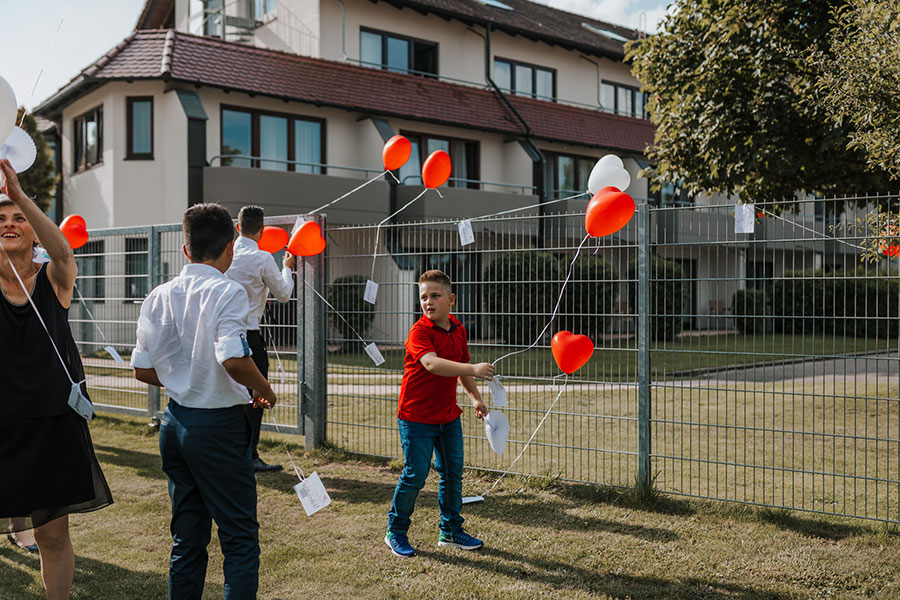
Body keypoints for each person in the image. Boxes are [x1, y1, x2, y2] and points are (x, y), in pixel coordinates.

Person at [132, 203, 277, 600]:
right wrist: (264, 389)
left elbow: (142, 370)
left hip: (175, 423)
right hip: (218, 425)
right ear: (230, 247)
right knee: (239, 539)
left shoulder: (158, 295)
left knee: (187, 540)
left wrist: (185, 376)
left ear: (185, 249)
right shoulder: (228, 290)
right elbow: (232, 357)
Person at [0, 159, 113, 599]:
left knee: (51, 536)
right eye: (1, 219)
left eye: (19, 219)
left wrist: (21, 194)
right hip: (2, 422)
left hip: (51, 425)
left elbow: (64, 252)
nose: (9, 224)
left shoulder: (53, 279)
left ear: (33, 229)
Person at [385, 269, 495, 558]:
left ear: (451, 299)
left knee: (452, 473)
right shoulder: (419, 331)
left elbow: (460, 365)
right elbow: (433, 364)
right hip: (416, 417)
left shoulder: (458, 330)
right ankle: (395, 532)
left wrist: (474, 397)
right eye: (423, 297)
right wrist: (473, 369)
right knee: (415, 475)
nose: (428, 302)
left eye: (435, 295)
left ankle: (450, 531)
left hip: (448, 417)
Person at [225, 206, 295, 472]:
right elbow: (284, 294)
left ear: (237, 227)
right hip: (250, 336)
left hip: (222, 334)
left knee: (229, 395)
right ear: (262, 230)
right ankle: (250, 455)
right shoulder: (263, 258)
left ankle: (231, 452)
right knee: (256, 398)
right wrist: (287, 268)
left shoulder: (225, 255)